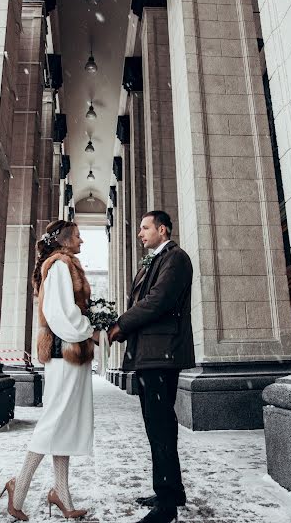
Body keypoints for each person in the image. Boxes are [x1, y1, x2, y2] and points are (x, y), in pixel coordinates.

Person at [0, 220, 99, 521]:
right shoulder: (58, 267)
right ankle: (19, 487)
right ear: (65, 240)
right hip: (64, 354)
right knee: (54, 421)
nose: (82, 240)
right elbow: (59, 314)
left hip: (73, 355)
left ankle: (62, 494)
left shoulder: (67, 265)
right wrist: (89, 328)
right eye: (78, 236)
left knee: (63, 423)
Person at [109, 210, 195, 523]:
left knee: (160, 426)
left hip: (162, 353)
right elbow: (143, 300)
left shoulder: (176, 258)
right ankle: (170, 490)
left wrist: (121, 323)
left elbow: (159, 300)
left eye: (145, 228)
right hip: (150, 353)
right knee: (155, 425)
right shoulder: (156, 260)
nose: (140, 233)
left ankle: (168, 503)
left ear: (162, 229)